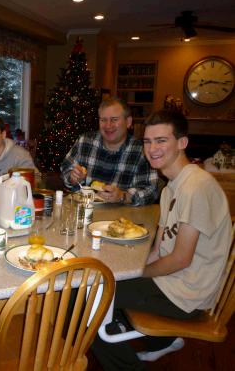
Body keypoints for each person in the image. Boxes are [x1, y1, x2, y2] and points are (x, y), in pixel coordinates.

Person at [91, 110, 232, 370]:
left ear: (182, 143)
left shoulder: (196, 187)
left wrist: (139, 273)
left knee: (83, 304)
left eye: (161, 140)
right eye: (147, 141)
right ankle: (149, 339)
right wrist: (130, 274)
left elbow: (180, 259)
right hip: (171, 284)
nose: (152, 148)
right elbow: (158, 249)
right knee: (102, 283)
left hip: (185, 297)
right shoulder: (170, 188)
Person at [60, 97, 158, 205]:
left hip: (120, 217)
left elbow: (151, 191)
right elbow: (65, 170)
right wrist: (72, 178)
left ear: (128, 122)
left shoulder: (142, 151)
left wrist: (123, 196)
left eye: (114, 119)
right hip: (82, 210)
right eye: (103, 120)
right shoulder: (85, 141)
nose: (108, 125)